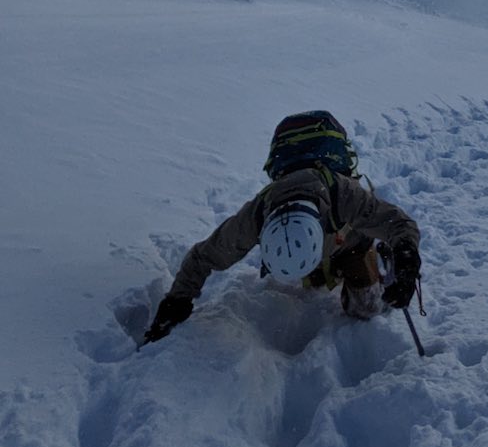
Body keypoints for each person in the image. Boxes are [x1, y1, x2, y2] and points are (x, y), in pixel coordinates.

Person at [143, 110, 421, 345]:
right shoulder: (257, 214)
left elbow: (398, 223)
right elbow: (203, 256)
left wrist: (406, 258)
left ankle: (373, 264)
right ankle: (319, 271)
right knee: (314, 281)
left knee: (368, 309)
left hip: (352, 244)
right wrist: (176, 302)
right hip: (314, 249)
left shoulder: (344, 193)